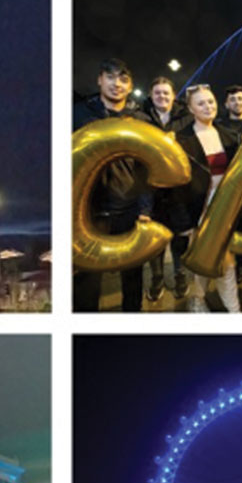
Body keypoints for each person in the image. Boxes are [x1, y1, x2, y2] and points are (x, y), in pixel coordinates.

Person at [73, 58, 148, 312]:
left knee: (132, 277)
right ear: (100, 79)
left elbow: (147, 169)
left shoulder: (140, 120)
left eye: (124, 79)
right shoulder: (79, 114)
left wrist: (145, 209)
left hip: (129, 208)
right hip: (89, 211)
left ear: (130, 86)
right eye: (111, 77)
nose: (117, 84)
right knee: (87, 281)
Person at [173, 84, 242, 312]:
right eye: (201, 103)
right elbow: (178, 186)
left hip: (225, 206)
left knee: (218, 257)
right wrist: (184, 222)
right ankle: (231, 309)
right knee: (218, 260)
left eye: (211, 102)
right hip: (199, 208)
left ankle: (198, 299)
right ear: (191, 109)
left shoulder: (230, 137)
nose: (208, 106)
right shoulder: (182, 140)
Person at [141, 76, 189, 304]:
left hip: (180, 193)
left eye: (166, 93)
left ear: (174, 96)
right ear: (151, 95)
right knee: (156, 242)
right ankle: (157, 278)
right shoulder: (141, 119)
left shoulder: (186, 118)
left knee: (180, 240)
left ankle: (180, 276)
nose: (162, 96)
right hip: (152, 192)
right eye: (158, 93)